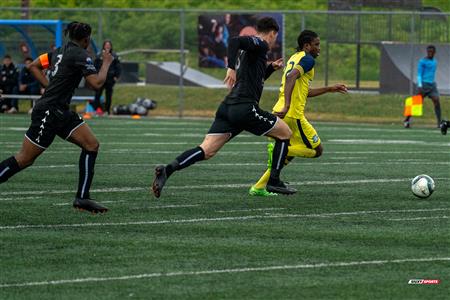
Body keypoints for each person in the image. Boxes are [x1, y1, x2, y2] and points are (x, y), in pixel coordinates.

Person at [152, 17, 295, 198]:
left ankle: (168, 169)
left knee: (207, 150)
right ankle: (274, 181)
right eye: (275, 36)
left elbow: (253, 79)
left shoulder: (250, 52)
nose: (274, 40)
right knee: (285, 133)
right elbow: (234, 40)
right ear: (273, 33)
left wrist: (271, 68)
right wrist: (230, 68)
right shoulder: (260, 43)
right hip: (245, 108)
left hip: (228, 108)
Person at [0, 21, 113, 213]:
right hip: (49, 112)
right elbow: (96, 83)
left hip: (60, 111)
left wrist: (48, 86)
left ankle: (82, 198)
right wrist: (107, 63)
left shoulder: (58, 52)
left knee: (91, 145)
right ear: (86, 39)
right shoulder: (80, 54)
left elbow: (34, 66)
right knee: (25, 158)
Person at [249, 30, 348, 196]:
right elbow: (291, 78)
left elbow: (303, 90)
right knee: (317, 150)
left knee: (291, 152)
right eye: (316, 45)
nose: (319, 49)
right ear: (307, 46)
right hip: (292, 114)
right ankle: (280, 150)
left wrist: (329, 88)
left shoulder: (294, 58)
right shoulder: (308, 59)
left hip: (281, 110)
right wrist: (288, 105)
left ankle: (259, 186)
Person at [404, 45, 441, 128]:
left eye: (431, 52)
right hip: (423, 85)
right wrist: (420, 85)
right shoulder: (422, 61)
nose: (430, 53)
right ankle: (406, 120)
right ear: (427, 52)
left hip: (432, 86)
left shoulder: (435, 62)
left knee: (436, 101)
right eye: (428, 52)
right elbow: (419, 74)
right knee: (416, 103)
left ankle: (439, 122)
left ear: (434, 52)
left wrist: (433, 83)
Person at [92, 40, 121, 115]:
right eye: (106, 45)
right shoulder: (99, 55)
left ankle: (107, 110)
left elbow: (118, 67)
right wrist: (96, 75)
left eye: (109, 45)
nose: (107, 46)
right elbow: (95, 66)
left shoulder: (114, 56)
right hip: (101, 78)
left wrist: (116, 76)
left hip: (110, 78)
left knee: (109, 95)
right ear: (103, 46)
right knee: (97, 94)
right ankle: (96, 110)